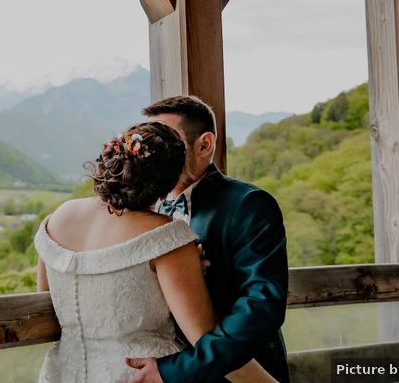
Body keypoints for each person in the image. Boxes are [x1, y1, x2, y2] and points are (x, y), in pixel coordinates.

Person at [35, 121, 275, 383]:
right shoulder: (167, 236)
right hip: (142, 375)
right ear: (168, 183)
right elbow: (205, 339)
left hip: (64, 372)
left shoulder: (57, 219)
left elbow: (46, 300)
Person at [126, 96, 289, 383]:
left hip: (238, 372)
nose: (156, 152)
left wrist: (180, 368)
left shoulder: (250, 205)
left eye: (169, 143)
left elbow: (261, 306)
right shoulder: (146, 209)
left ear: (204, 144)